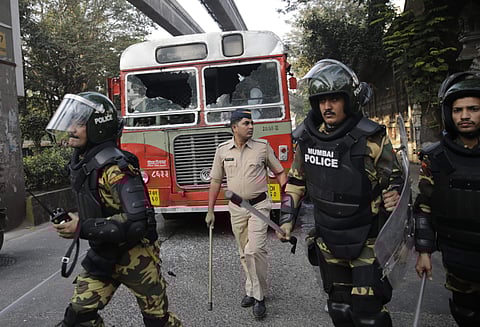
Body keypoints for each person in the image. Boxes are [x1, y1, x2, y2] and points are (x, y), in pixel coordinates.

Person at [278, 59, 403, 327]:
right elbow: (296, 182)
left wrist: (395, 192)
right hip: (328, 237)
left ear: (348, 100)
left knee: (369, 315)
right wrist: (286, 219)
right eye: (322, 100)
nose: (327, 106)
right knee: (340, 308)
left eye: (334, 99)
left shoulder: (372, 137)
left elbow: (394, 177)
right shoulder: (306, 139)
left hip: (366, 237)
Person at [45, 92, 182, 327]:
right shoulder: (83, 161)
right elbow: (98, 205)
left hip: (136, 256)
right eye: (70, 122)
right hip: (104, 253)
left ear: (98, 126)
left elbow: (137, 221)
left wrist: (82, 226)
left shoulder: (116, 166)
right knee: (78, 317)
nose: (70, 129)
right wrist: (78, 220)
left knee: (158, 322)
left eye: (78, 123)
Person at [205, 108, 287, 319]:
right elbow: (215, 180)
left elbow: (279, 173)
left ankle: (259, 298)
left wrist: (288, 205)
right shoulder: (222, 150)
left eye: (251, 123)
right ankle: (251, 288)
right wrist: (210, 210)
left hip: (259, 207)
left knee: (255, 250)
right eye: (246, 123)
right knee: (244, 252)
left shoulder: (262, 147)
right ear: (234, 127)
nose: (251, 127)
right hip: (236, 208)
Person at [414, 71, 480, 327]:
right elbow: (424, 207)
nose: (464, 116)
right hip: (458, 258)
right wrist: (424, 251)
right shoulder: (435, 159)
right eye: (458, 110)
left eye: (473, 109)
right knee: (466, 315)